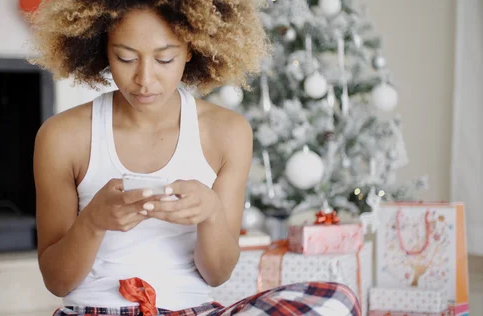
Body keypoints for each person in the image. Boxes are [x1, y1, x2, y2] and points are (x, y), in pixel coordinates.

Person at [27, 0, 361, 315]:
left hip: (194, 310)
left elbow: (217, 275)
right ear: (102, 49)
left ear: (190, 49)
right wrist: (93, 222)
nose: (145, 79)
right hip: (95, 310)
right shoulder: (62, 136)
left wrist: (211, 213)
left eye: (164, 59)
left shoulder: (227, 132)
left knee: (337, 300)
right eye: (126, 58)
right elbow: (57, 281)